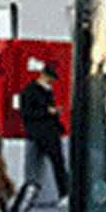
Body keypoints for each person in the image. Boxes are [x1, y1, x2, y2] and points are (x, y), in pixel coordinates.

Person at [19, 64, 68, 204]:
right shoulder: (29, 91)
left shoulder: (47, 92)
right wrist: (48, 112)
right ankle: (29, 198)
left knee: (59, 164)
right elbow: (27, 114)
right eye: (50, 80)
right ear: (43, 76)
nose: (51, 84)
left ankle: (64, 194)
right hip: (36, 134)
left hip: (50, 133)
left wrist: (58, 124)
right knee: (33, 168)